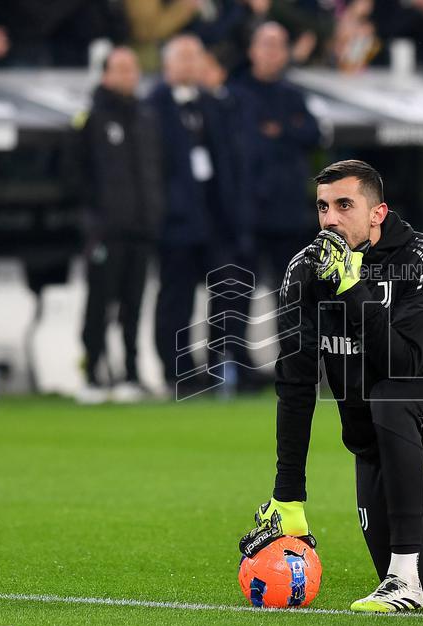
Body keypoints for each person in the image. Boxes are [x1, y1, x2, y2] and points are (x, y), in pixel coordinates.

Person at [238, 160, 423, 613]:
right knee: (414, 570)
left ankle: (406, 584)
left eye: (344, 205)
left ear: (377, 213)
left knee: (390, 394)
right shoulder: (304, 271)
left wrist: (352, 288)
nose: (330, 219)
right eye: (322, 207)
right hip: (374, 434)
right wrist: (288, 495)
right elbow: (295, 384)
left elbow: (405, 364)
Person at [147, 35, 252, 394]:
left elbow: (230, 161)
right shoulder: (153, 106)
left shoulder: (213, 105)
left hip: (215, 219)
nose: (190, 65)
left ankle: (223, 362)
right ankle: (178, 372)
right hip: (176, 222)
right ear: (167, 65)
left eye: (196, 57)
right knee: (176, 299)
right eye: (183, 58)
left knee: (231, 287)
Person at [72, 47, 163, 404]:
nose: (129, 75)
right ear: (105, 74)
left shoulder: (146, 118)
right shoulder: (91, 118)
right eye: (121, 69)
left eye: (133, 68)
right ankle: (92, 372)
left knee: (134, 307)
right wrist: (94, 218)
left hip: (141, 229)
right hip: (105, 231)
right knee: (99, 304)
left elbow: (156, 172)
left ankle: (130, 372)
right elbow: (75, 175)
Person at [232, 22, 321, 289]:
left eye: (279, 45)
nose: (273, 52)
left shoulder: (293, 95)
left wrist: (281, 131)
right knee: (234, 299)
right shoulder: (234, 94)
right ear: (252, 50)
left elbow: (313, 134)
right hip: (246, 215)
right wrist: (288, 130)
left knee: (291, 299)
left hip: (287, 213)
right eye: (266, 44)